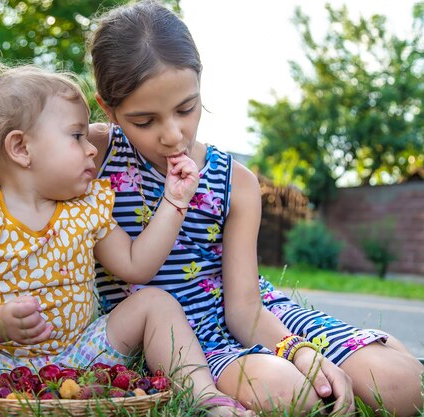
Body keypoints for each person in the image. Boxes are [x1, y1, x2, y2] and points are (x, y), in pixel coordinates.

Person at [86, 1, 424, 416]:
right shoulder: (89, 154)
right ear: (108, 109)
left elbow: (245, 310)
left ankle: (372, 354)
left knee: (402, 386)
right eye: (144, 121)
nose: (172, 135)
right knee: (295, 396)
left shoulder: (235, 181)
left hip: (253, 312)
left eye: (186, 108)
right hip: (183, 340)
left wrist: (298, 350)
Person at [0, 46, 255, 417]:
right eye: (76, 136)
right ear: (21, 148)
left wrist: (174, 202)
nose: (92, 148)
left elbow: (136, 266)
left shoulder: (87, 208)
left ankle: (203, 394)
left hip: (82, 357)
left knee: (155, 302)